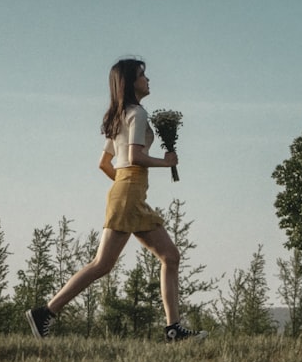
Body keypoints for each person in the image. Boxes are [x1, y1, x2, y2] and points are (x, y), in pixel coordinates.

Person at [25, 58, 207, 342]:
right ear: (130, 82)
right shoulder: (137, 114)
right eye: (142, 75)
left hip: (127, 193)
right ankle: (45, 313)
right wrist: (165, 162)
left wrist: (127, 188)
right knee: (102, 264)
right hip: (129, 194)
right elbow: (134, 157)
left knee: (170, 256)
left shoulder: (119, 116)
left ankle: (174, 329)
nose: (148, 79)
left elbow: (105, 163)